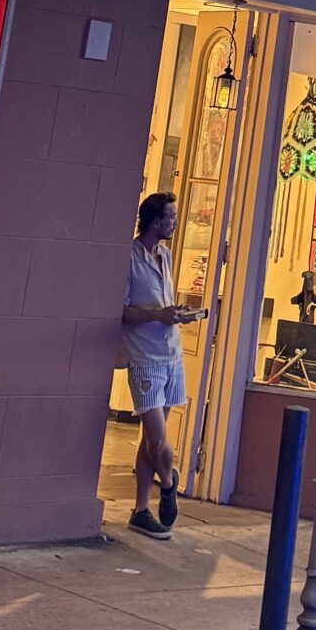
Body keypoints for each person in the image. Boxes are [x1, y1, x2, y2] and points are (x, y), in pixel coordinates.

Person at [121, 192, 200, 541]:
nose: (175, 223)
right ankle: (168, 484)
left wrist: (175, 314)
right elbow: (123, 311)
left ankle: (140, 509)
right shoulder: (129, 257)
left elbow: (160, 304)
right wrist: (157, 315)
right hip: (145, 359)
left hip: (171, 353)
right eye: (171, 217)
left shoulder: (165, 255)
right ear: (155, 222)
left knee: (149, 441)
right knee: (158, 438)